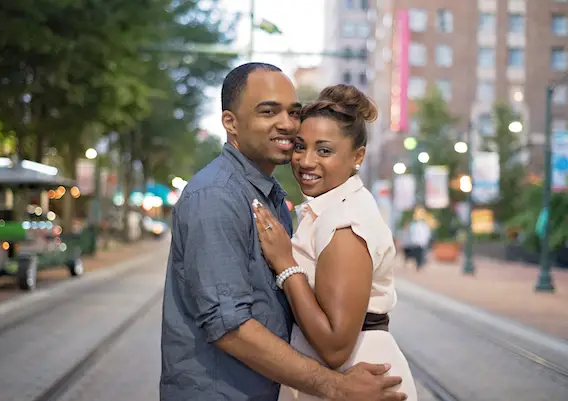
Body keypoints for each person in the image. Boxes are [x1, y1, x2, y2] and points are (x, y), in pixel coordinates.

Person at [160, 63, 407, 401]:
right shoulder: (217, 195)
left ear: (357, 156)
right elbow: (228, 327)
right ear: (231, 123)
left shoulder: (277, 198)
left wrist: (287, 266)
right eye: (268, 112)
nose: (287, 125)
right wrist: (334, 385)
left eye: (293, 112)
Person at [251, 84, 418, 401]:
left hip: (361, 381)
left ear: (357, 156)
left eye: (324, 150)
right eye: (300, 147)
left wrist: (285, 263)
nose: (306, 161)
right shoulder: (331, 209)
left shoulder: (345, 222)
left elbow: (334, 347)